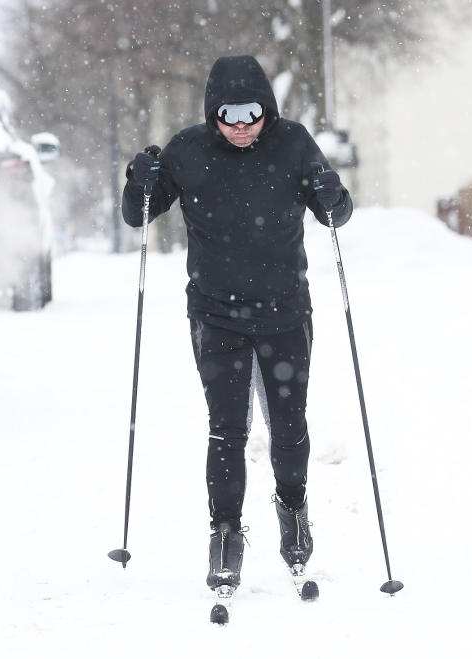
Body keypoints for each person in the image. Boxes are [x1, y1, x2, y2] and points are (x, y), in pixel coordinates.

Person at [121, 54, 354, 593]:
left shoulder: (294, 144)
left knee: (289, 426)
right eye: (230, 112)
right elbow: (139, 214)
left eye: (253, 111)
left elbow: (336, 216)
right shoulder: (187, 151)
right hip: (216, 313)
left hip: (284, 313)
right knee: (227, 428)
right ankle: (224, 531)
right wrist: (139, 181)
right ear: (213, 113)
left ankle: (292, 509)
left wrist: (330, 192)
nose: (242, 123)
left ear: (267, 110)